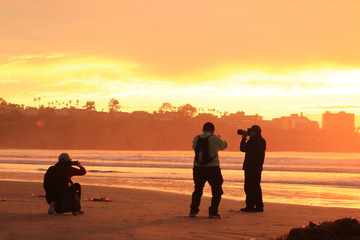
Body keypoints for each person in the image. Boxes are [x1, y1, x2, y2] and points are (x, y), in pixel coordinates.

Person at [189, 122, 228, 218]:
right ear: (213, 130)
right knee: (216, 190)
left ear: (203, 129)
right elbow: (224, 146)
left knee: (198, 189)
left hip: (198, 167)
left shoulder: (196, 138)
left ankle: (193, 211)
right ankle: (213, 211)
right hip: (212, 168)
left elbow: (194, 147)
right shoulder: (215, 138)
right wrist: (219, 138)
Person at [240, 125, 266, 212]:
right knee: (256, 186)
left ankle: (250, 205)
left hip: (250, 166)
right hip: (258, 167)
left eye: (251, 131)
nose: (250, 133)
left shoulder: (253, 141)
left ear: (255, 132)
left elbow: (242, 148)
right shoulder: (262, 141)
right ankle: (259, 206)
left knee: (248, 186)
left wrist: (244, 138)